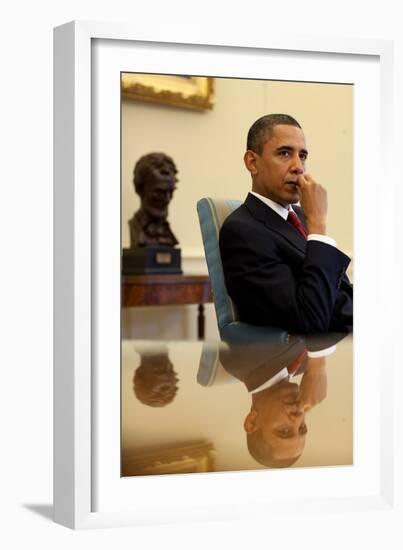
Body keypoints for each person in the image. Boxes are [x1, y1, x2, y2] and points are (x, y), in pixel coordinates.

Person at [219, 114, 353, 334]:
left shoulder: (300, 215)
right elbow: (309, 322)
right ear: (252, 162)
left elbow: (340, 294)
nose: (298, 167)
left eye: (303, 156)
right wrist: (319, 224)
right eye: (284, 153)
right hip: (306, 357)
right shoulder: (243, 232)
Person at [129, 152, 179, 248]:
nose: (167, 199)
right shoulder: (135, 228)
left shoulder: (166, 231)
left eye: (171, 191)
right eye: (159, 192)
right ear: (140, 189)